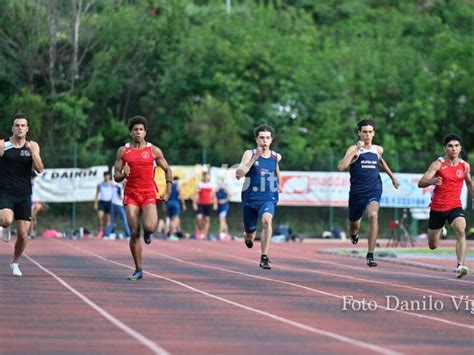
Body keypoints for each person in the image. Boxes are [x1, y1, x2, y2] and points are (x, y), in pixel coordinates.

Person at [113, 116, 172, 281]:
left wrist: (168, 190)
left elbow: (168, 170)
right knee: (133, 232)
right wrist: (123, 174)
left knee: (150, 225)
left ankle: (149, 232)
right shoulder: (123, 151)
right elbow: (115, 176)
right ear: (131, 132)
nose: (138, 132)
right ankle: (138, 269)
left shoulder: (154, 150)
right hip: (131, 194)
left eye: (141, 129)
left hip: (148, 193)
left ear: (145, 132)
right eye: (135, 129)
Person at [337, 119, 400, 267]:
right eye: (364, 132)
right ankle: (354, 236)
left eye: (370, 132)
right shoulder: (353, 148)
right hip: (357, 193)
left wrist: (392, 177)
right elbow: (341, 166)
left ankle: (370, 254)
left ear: (374, 133)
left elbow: (381, 161)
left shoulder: (378, 149)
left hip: (374, 189)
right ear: (359, 133)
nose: (367, 135)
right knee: (354, 227)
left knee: (373, 215)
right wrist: (355, 150)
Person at [417, 134, 473, 278]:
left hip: (455, 206)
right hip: (437, 208)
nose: (453, 149)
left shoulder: (464, 166)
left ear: (460, 148)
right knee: (433, 245)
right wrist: (432, 181)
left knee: (461, 229)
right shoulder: (438, 164)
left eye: (456, 146)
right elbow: (421, 182)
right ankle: (441, 229)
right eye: (450, 146)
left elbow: (468, 183)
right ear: (445, 148)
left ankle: (460, 266)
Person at [0, 113, 44, 277]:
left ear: (27, 129)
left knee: (23, 234)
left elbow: (40, 169)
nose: (20, 128)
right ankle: (5, 226)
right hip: (5, 191)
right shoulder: (3, 145)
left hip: (24, 193)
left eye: (22, 125)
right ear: (12, 128)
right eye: (17, 125)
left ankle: (15, 262)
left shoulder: (32, 145)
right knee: (5, 219)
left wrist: (34, 153)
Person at [235, 124, 282, 270]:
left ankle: (264, 257)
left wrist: (279, 184)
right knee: (250, 234)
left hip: (268, 197)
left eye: (267, 138)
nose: (264, 141)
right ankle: (248, 236)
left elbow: (276, 171)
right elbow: (239, 174)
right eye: (261, 138)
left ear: (271, 140)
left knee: (267, 221)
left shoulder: (275, 157)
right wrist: (254, 158)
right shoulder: (249, 153)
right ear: (256, 139)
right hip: (250, 199)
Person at [192, 172, 217, 240]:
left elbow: (213, 195)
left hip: (208, 204)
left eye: (208, 176)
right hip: (200, 203)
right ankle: (199, 230)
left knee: (207, 219)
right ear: (203, 177)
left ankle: (204, 234)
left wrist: (215, 203)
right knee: (199, 218)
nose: (207, 177)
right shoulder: (199, 184)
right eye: (205, 176)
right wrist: (194, 203)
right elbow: (196, 194)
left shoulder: (211, 184)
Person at [93, 171, 114, 238]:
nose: (106, 177)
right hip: (102, 202)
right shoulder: (100, 185)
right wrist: (95, 203)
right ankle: (100, 231)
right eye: (105, 176)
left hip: (109, 202)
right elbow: (96, 194)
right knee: (100, 217)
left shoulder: (112, 184)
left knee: (108, 219)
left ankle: (106, 232)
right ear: (104, 176)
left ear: (109, 176)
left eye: (108, 176)